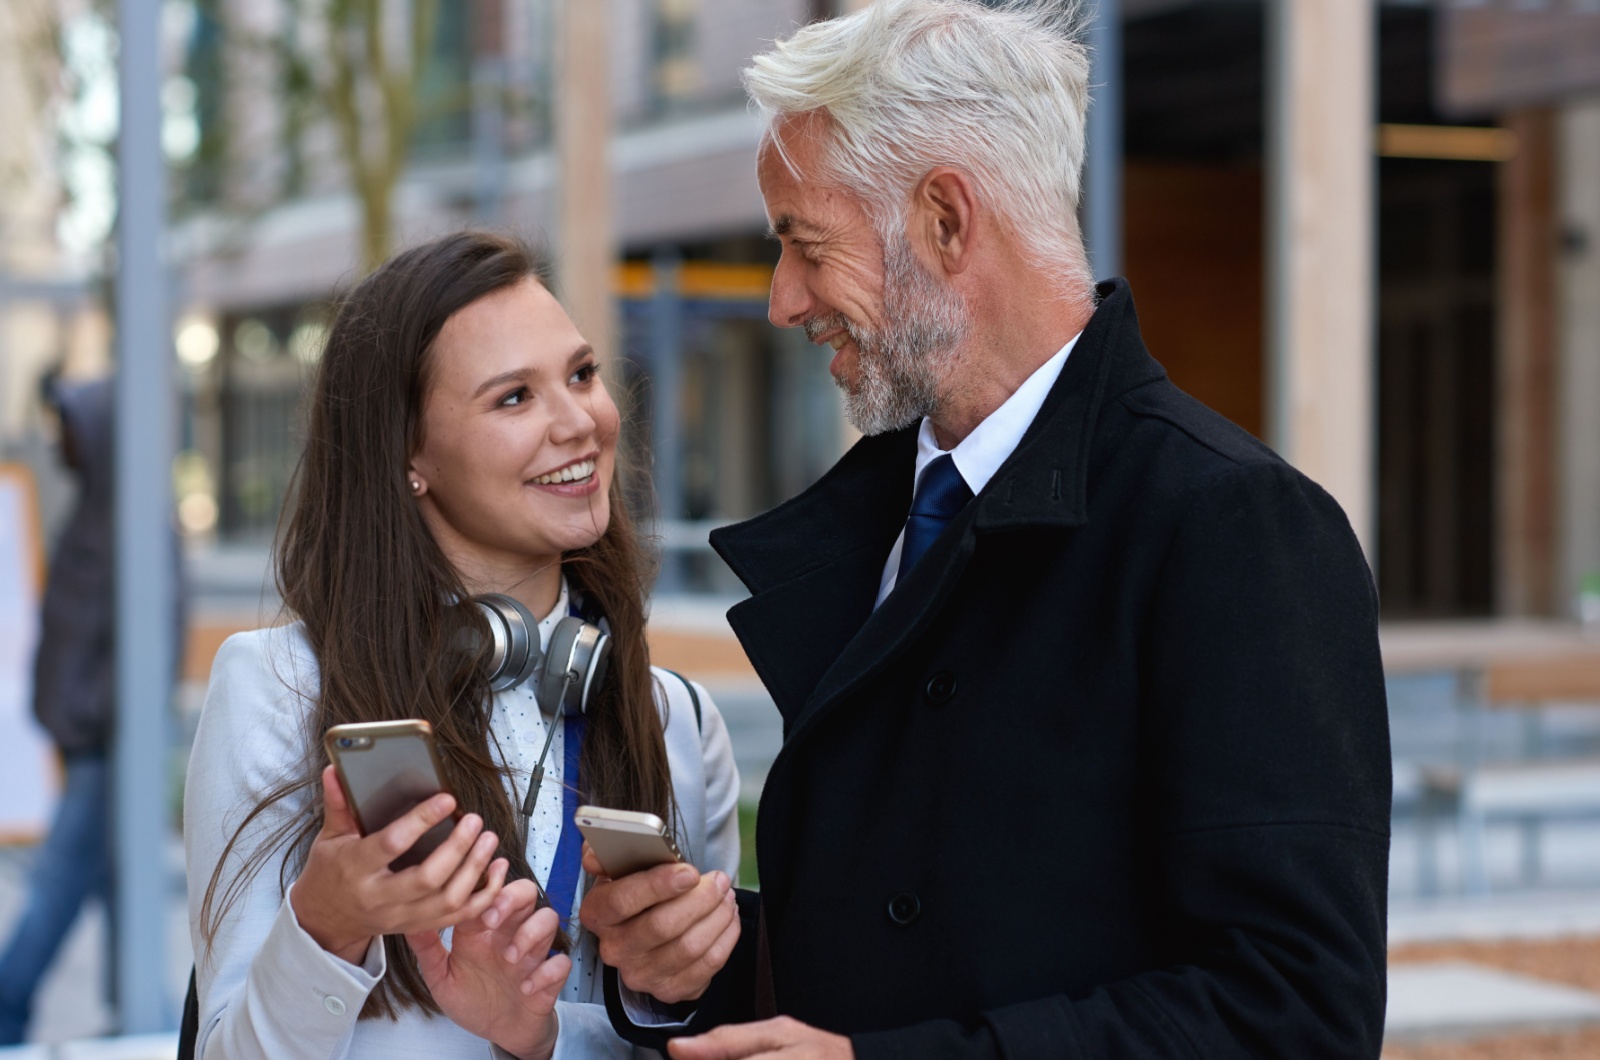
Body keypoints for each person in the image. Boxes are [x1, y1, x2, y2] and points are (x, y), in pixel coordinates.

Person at [581, 3, 1391, 1058]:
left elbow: (1297, 1013)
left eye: (803, 244)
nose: (782, 300)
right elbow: (912, 935)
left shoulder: (1235, 527)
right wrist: (713, 958)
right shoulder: (886, 517)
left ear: (947, 221)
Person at [183, 231, 741, 1060]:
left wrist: (674, 995)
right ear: (410, 455)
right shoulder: (279, 686)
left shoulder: (676, 721)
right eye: (514, 397)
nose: (578, 422)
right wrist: (323, 928)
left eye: (581, 374)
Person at [0, 377, 183, 1043]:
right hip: (87, 746)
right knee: (115, 892)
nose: (59, 443)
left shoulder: (134, 527)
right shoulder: (94, 515)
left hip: (108, 751)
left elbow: (149, 644)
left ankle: (8, 1011)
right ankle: (150, 1021)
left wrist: (88, 715)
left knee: (56, 891)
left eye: (70, 428)